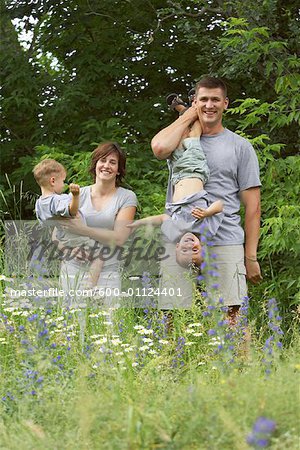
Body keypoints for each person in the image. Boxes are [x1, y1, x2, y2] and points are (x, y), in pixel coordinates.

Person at [151, 76, 262, 322]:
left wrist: (250, 256)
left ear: (226, 104)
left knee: (232, 316)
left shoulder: (240, 146)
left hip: (226, 240)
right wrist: (189, 114)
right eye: (203, 100)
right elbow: (159, 148)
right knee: (172, 317)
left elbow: (253, 207)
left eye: (215, 100)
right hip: (179, 238)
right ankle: (174, 362)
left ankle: (239, 363)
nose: (209, 105)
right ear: (194, 102)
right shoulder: (180, 141)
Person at [128, 120, 224, 268]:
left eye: (185, 250)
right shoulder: (205, 230)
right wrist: (206, 212)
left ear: (177, 246)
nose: (189, 245)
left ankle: (184, 112)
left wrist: (138, 223)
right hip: (194, 169)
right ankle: (193, 110)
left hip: (177, 174)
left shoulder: (173, 232)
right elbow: (220, 205)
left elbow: (163, 217)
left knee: (180, 139)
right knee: (192, 137)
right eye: (195, 249)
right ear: (202, 247)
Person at [54, 142, 137, 295]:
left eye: (113, 162)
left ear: (119, 170)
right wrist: (68, 250)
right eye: (102, 160)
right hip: (73, 268)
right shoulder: (78, 194)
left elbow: (119, 238)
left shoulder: (126, 197)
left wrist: (82, 229)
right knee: (72, 317)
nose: (106, 165)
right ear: (95, 164)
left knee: (107, 318)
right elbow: (56, 233)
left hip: (108, 271)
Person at [33, 159, 104, 287]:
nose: (64, 184)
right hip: (76, 235)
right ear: (53, 181)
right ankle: (90, 285)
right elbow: (71, 211)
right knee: (99, 256)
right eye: (63, 181)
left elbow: (44, 223)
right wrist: (75, 196)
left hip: (63, 238)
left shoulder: (39, 203)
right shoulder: (56, 200)